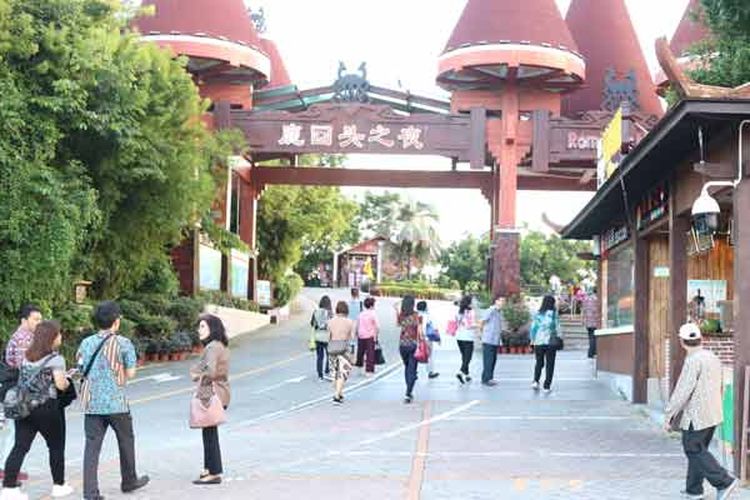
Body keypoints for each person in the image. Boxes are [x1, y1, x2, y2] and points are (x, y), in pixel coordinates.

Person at [77, 301, 148, 500]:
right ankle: (129, 480)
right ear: (116, 322)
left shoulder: (86, 343)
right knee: (126, 440)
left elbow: (81, 368)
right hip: (117, 403)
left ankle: (90, 493)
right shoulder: (123, 343)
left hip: (92, 404)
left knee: (92, 447)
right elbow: (131, 373)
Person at [664, 323, 739, 500]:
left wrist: (669, 415)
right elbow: (720, 385)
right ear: (701, 339)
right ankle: (694, 489)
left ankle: (724, 482)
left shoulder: (692, 361)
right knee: (699, 450)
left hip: (696, 416)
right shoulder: (713, 357)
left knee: (693, 449)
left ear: (682, 342)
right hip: (713, 413)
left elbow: (683, 391)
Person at [0, 321, 73, 500]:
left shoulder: (27, 356)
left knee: (20, 447)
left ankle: (9, 489)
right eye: (59, 334)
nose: (61, 337)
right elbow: (60, 384)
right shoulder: (56, 359)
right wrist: (67, 379)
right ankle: (59, 485)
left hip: (25, 408)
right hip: (47, 409)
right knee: (56, 446)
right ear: (52, 338)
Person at [0, 305, 42, 482]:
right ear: (24, 320)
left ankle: (9, 467)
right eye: (35, 319)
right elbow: (24, 366)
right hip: (18, 389)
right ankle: (7, 468)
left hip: (14, 388)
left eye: (40, 319)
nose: (39, 323)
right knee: (17, 431)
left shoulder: (22, 336)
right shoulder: (24, 338)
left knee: (15, 430)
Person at [190, 314, 230, 485]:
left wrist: (196, 374)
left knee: (210, 434)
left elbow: (211, 372)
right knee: (209, 432)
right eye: (199, 326)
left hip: (212, 395)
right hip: (221, 393)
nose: (199, 330)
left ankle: (214, 472)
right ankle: (209, 468)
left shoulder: (212, 347)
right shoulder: (219, 345)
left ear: (213, 328)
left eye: (203, 326)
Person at [530, 295, 562, 393]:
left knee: (539, 362)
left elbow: (533, 328)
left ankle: (535, 381)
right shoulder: (554, 314)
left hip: (538, 342)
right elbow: (558, 328)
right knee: (550, 364)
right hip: (550, 342)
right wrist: (560, 338)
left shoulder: (538, 314)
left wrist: (532, 340)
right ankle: (546, 386)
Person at [395, 295, 424, 403]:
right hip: (414, 345)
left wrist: (396, 310)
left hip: (402, 346)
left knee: (407, 367)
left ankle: (409, 388)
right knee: (412, 369)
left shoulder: (401, 316)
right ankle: (408, 392)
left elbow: (398, 324)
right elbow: (420, 332)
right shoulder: (417, 316)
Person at [327, 302, 354, 404]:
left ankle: (339, 392)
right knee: (343, 372)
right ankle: (336, 396)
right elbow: (351, 337)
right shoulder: (349, 322)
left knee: (334, 372)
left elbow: (328, 336)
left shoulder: (330, 322)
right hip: (344, 348)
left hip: (332, 347)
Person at [480, 295, 504, 386]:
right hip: (488, 339)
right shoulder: (491, 310)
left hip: (495, 340)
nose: (502, 303)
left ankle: (489, 378)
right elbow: (482, 321)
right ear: (496, 301)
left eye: (503, 301)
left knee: (493, 360)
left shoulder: (499, 312)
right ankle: (486, 379)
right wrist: (481, 333)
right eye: (501, 300)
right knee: (488, 360)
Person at [454, 295, 478, 384]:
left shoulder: (459, 311)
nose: (474, 302)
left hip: (459, 337)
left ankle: (467, 375)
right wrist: (478, 325)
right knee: (468, 357)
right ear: (470, 302)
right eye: (473, 301)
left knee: (464, 357)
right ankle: (460, 372)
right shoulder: (471, 312)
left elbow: (456, 323)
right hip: (468, 337)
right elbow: (469, 325)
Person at [310, 296, 333, 381]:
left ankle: (320, 375)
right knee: (329, 355)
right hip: (327, 337)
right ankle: (327, 370)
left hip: (318, 337)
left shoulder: (315, 312)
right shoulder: (330, 313)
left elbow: (312, 324)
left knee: (320, 356)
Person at [355, 297, 379, 376]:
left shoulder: (361, 314)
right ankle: (369, 370)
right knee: (370, 354)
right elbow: (377, 326)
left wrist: (356, 333)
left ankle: (359, 368)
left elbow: (357, 325)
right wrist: (376, 335)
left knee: (360, 352)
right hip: (370, 336)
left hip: (361, 335)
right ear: (372, 306)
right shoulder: (373, 314)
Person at [416, 301, 439, 379]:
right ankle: (430, 372)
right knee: (429, 355)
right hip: (426, 337)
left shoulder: (416, 315)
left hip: (415, 337)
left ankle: (414, 371)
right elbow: (424, 326)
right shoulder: (425, 315)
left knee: (416, 354)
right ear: (425, 307)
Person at [582, 288, 600, 359]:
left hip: (588, 321)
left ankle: (591, 352)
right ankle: (592, 352)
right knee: (594, 338)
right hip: (595, 321)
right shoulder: (597, 300)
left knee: (591, 337)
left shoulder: (586, 299)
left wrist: (583, 320)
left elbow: (584, 310)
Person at [348, 288, 363, 354]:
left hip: (350, 322)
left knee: (351, 336)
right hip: (358, 322)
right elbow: (362, 313)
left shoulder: (348, 302)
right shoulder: (360, 303)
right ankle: (358, 351)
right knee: (358, 337)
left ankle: (352, 348)